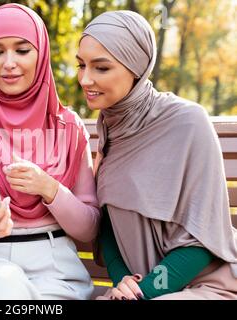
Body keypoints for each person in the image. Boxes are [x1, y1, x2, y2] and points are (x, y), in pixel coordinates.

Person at [0, 3, 100, 300]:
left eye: (22, 50)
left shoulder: (69, 127)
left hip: (56, 269)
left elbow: (88, 229)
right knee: (4, 288)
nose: (8, 63)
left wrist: (49, 188)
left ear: (41, 54)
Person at [76, 10, 237, 300]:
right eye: (81, 65)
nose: (85, 80)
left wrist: (146, 291)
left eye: (101, 68)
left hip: (205, 286)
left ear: (136, 67)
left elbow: (204, 239)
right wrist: (124, 281)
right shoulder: (111, 128)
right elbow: (109, 225)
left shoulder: (188, 123)